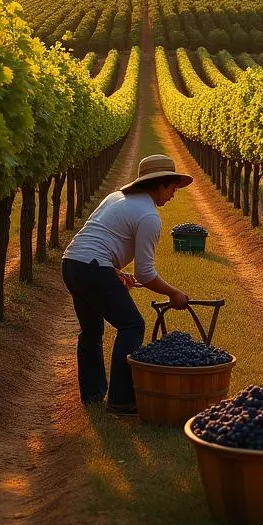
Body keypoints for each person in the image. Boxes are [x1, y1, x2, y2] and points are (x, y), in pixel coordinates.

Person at [62, 154, 193, 415]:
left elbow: (100, 237)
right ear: (159, 185)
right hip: (91, 268)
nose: (173, 195)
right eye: (172, 188)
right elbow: (145, 272)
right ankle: (121, 400)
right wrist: (173, 292)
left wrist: (113, 272)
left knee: (91, 331)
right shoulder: (149, 216)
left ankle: (92, 395)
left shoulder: (116, 198)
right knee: (132, 325)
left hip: (72, 263)